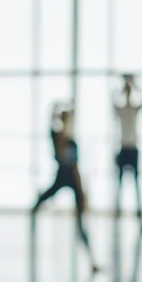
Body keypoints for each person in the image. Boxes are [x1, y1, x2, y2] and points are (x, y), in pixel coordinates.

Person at [31, 102, 99, 272]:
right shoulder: (58, 138)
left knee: (81, 223)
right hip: (63, 177)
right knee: (41, 201)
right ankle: (32, 228)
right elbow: (51, 118)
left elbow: (75, 167)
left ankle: (91, 260)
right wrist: (58, 107)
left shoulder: (70, 141)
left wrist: (81, 189)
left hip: (70, 179)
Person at [113, 74, 142, 232]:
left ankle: (140, 220)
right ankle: (117, 218)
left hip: (133, 149)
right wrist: (122, 87)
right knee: (119, 186)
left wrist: (135, 85)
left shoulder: (133, 110)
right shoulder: (122, 111)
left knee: (136, 186)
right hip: (124, 149)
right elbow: (112, 102)